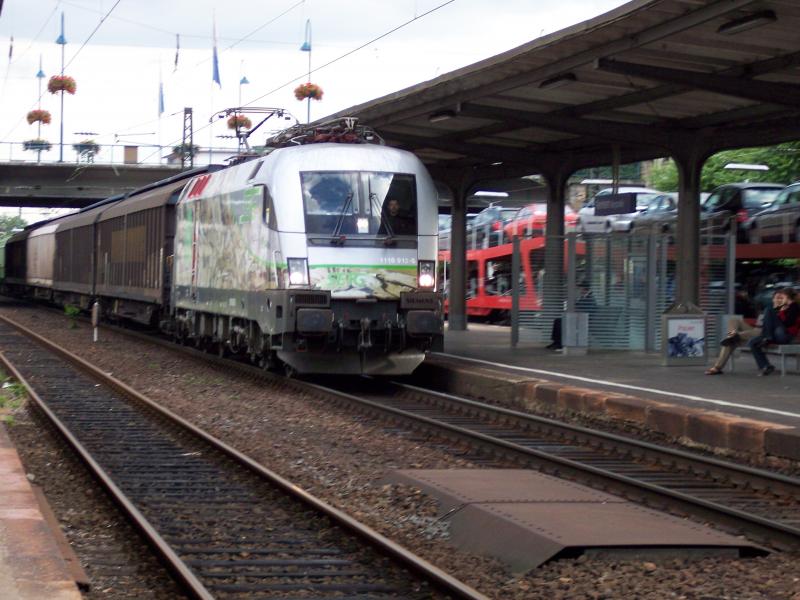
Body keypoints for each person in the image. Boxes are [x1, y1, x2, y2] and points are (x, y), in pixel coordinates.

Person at [706, 288, 797, 376]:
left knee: (732, 341)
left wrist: (779, 310)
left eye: (781, 298)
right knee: (733, 320)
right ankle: (731, 336)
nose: (778, 300)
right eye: (776, 298)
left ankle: (718, 366)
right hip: (757, 331)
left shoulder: (785, 309)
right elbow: (759, 324)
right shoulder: (771, 309)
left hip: (766, 333)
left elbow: (782, 325)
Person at [747, 288, 799, 376]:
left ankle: (767, 338)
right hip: (774, 334)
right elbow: (768, 324)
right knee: (752, 342)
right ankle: (766, 366)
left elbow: (788, 323)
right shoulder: (781, 307)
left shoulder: (795, 307)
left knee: (769, 310)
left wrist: (779, 313)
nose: (779, 299)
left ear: (787, 297)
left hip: (785, 336)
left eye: (781, 296)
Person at [547, 283, 596, 350]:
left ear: (585, 289)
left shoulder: (590, 298)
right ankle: (556, 342)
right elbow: (577, 305)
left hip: (581, 320)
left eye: (581, 288)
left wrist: (577, 310)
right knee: (557, 321)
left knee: (561, 323)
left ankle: (560, 344)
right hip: (577, 318)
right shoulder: (583, 296)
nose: (580, 290)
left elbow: (588, 310)